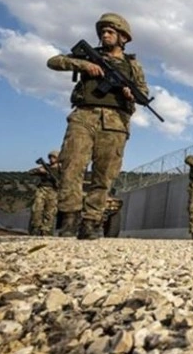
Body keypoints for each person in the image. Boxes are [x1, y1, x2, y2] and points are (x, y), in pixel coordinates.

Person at [47, 13, 149, 240]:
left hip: (116, 121)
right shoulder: (90, 56)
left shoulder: (132, 66)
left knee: (104, 174)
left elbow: (143, 93)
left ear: (123, 36)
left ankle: (91, 222)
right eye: (103, 31)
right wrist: (83, 64)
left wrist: (130, 94)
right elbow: (53, 61)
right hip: (84, 115)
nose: (105, 35)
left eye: (111, 31)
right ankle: (70, 219)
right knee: (72, 164)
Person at [28, 150, 61, 236]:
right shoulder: (46, 167)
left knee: (50, 213)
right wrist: (39, 171)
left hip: (54, 191)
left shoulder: (62, 169)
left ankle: (46, 232)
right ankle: (35, 230)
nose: (51, 159)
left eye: (54, 157)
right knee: (37, 210)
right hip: (42, 190)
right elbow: (30, 172)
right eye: (50, 157)